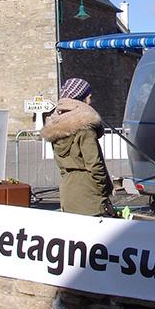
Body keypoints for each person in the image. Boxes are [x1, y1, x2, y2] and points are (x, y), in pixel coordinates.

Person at [40, 77, 114, 216]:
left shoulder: (56, 126)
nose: (91, 101)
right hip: (89, 192)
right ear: (81, 98)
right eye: (89, 97)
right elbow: (95, 165)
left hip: (68, 191)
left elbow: (62, 167)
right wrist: (103, 189)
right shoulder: (84, 127)